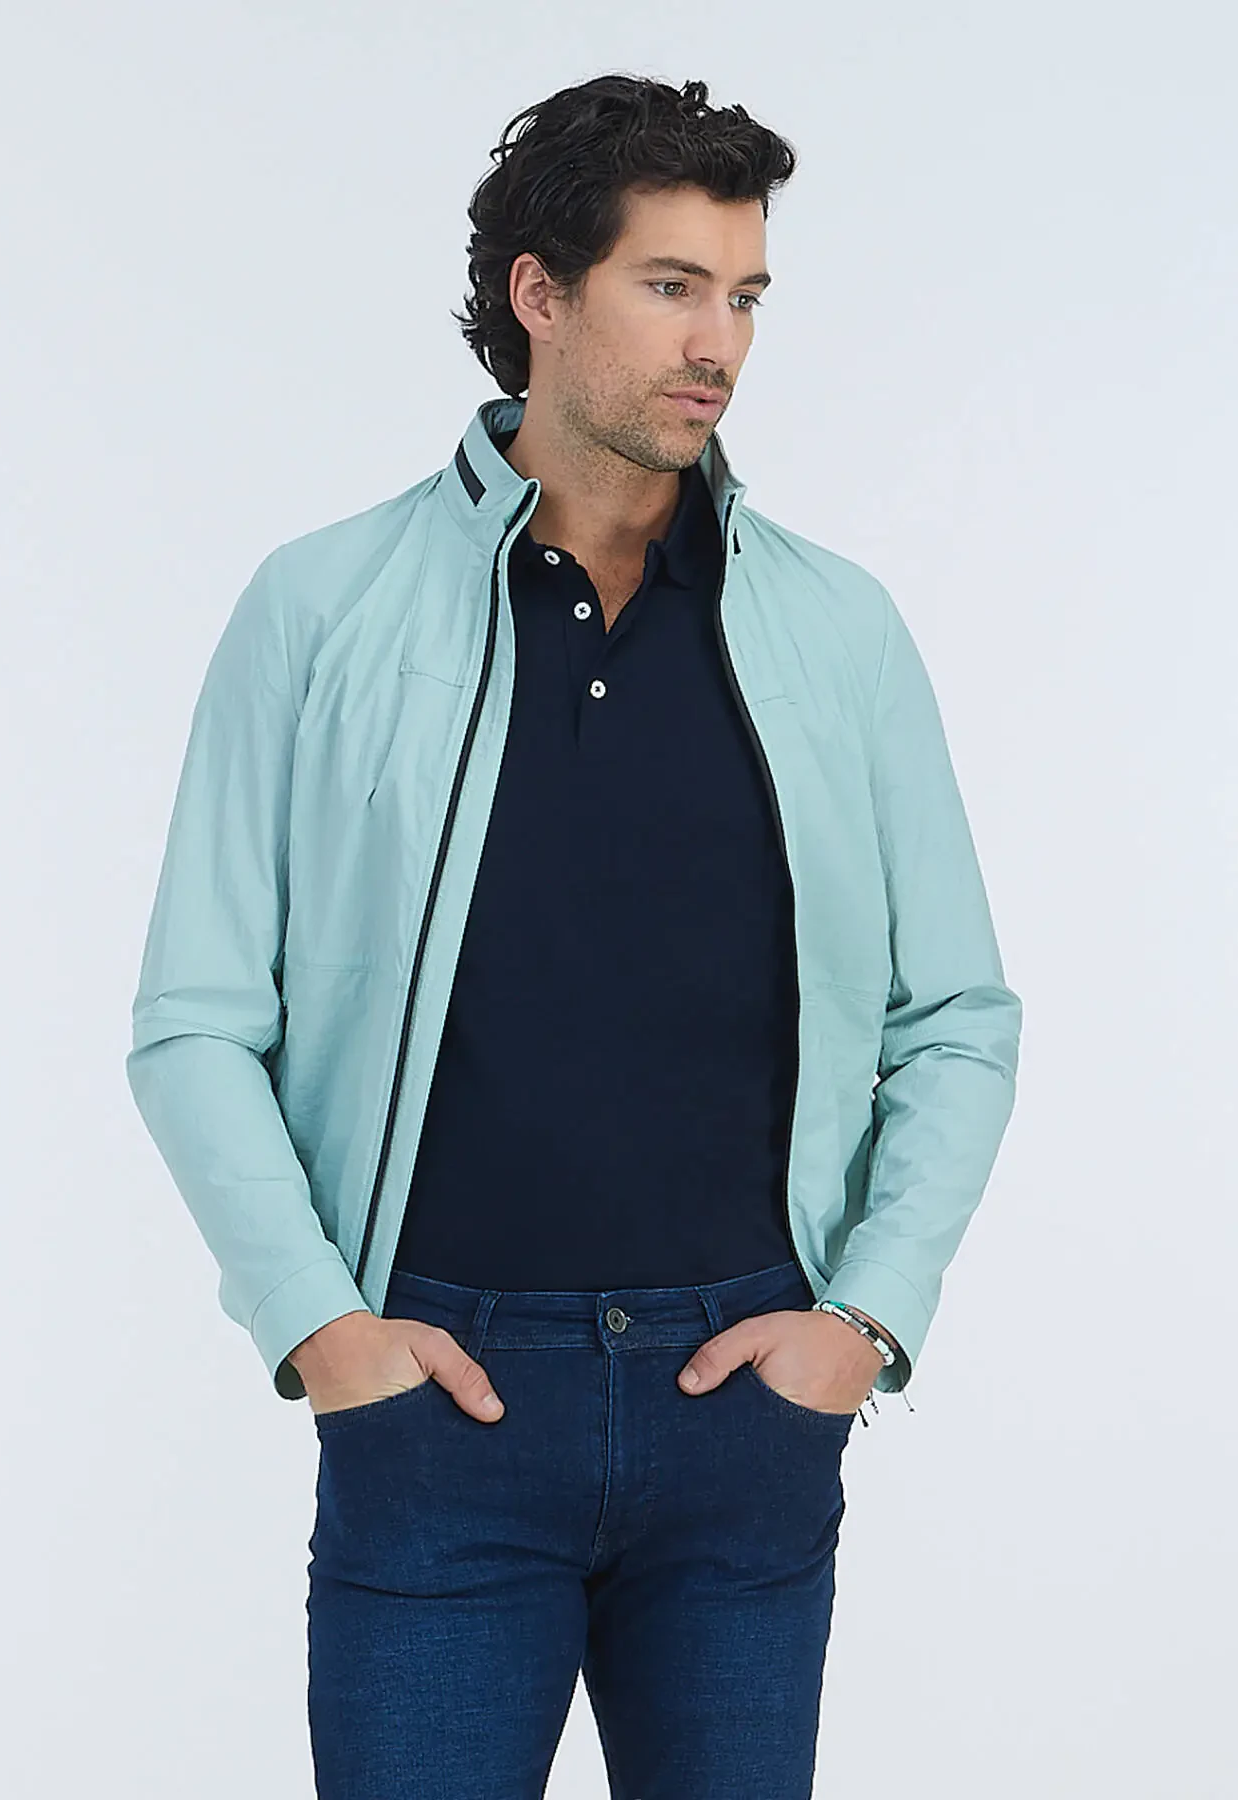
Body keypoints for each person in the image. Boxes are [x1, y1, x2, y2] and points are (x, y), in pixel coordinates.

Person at [126, 72, 1022, 1799]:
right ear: (539, 293)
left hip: (743, 1405)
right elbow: (196, 1019)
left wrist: (865, 1319)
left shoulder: (838, 629)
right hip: (439, 1405)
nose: (719, 344)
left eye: (744, 295)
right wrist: (324, 1328)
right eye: (671, 285)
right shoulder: (320, 609)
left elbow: (958, 1014)